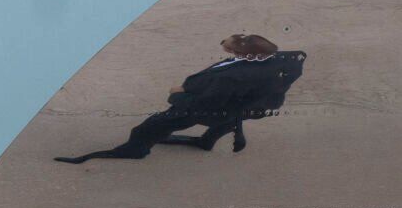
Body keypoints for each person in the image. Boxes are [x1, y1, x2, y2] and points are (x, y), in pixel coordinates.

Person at [55, 33, 299, 163]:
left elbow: (205, 105)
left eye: (234, 51)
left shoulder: (233, 78)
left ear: (247, 56)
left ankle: (135, 150)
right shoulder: (272, 61)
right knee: (227, 119)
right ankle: (208, 140)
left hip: (210, 106)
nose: (228, 51)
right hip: (238, 105)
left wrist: (179, 94)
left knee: (149, 127)